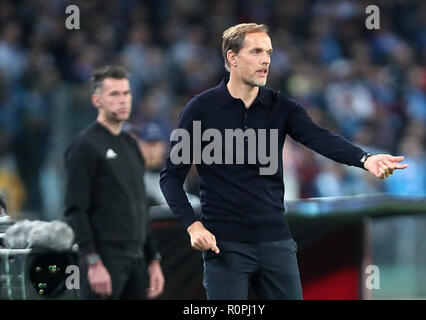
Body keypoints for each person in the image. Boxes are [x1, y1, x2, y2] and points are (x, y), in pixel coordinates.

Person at [160, 23, 408, 300]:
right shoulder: (201, 109)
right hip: (224, 247)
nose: (266, 59)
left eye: (268, 52)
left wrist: (365, 159)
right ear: (232, 57)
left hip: (276, 244)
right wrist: (193, 226)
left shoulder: (281, 107)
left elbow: (318, 137)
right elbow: (170, 177)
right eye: (256, 51)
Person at [64, 65, 164, 300]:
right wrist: (92, 261)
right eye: (114, 94)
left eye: (126, 93)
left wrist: (153, 259)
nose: (123, 100)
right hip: (105, 260)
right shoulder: (84, 146)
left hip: (137, 260)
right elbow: (75, 209)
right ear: (97, 100)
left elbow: (141, 207)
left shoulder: (131, 145)